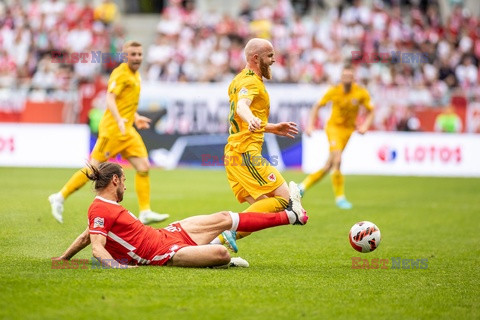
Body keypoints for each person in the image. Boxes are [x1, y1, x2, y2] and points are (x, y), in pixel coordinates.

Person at [54, 162, 308, 268]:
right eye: (125, 182)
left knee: (223, 217)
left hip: (167, 234)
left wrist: (64, 257)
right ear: (116, 180)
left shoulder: (103, 208)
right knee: (221, 254)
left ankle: (290, 216)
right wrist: (118, 268)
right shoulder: (99, 208)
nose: (126, 187)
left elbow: (87, 236)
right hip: (163, 254)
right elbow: (97, 247)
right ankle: (216, 258)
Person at [49, 41, 168, 224]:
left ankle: (145, 211)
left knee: (143, 166)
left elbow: (124, 102)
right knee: (93, 169)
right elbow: (110, 98)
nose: (137, 58)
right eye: (133, 54)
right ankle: (59, 196)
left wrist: (135, 117)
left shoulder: (136, 75)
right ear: (125, 56)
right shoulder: (120, 74)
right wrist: (119, 119)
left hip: (127, 130)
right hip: (112, 130)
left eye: (139, 54)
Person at [221, 38, 299, 251]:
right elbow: (241, 108)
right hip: (245, 153)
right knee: (284, 199)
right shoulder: (251, 83)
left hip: (234, 154)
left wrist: (271, 127)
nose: (274, 60)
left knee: (262, 208)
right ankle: (226, 233)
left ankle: (210, 244)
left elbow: (243, 115)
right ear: (256, 58)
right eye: (270, 56)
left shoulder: (238, 80)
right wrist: (251, 118)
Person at [298, 65, 374, 209]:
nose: (346, 79)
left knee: (329, 165)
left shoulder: (361, 93)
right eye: (344, 76)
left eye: (349, 77)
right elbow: (317, 106)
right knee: (338, 160)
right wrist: (310, 125)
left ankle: (302, 187)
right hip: (333, 128)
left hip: (348, 131)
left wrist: (365, 126)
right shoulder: (334, 91)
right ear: (341, 78)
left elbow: (371, 110)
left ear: (353, 78)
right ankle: (340, 198)